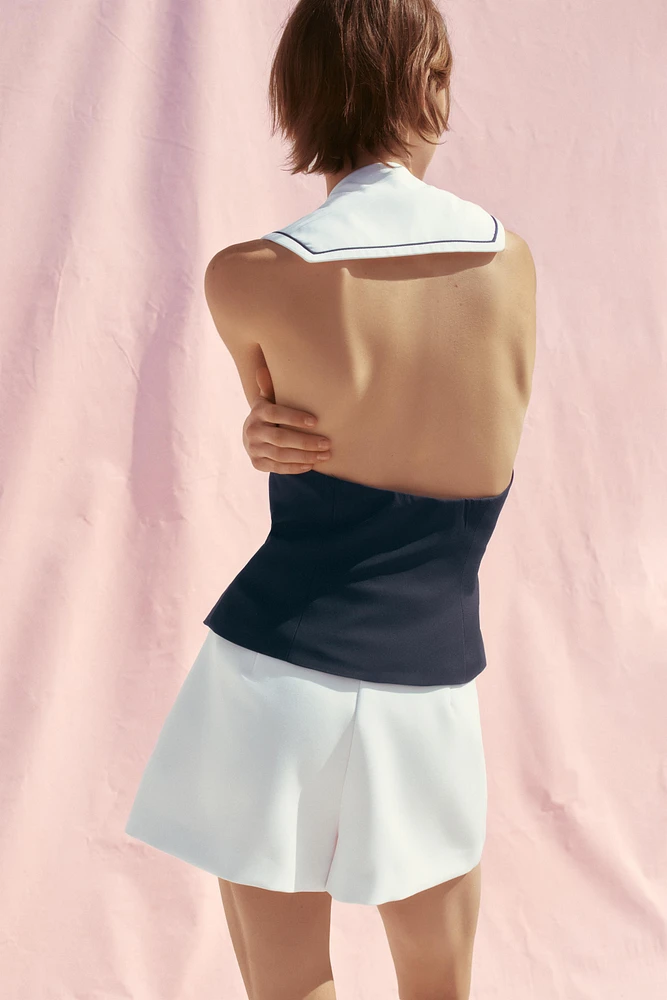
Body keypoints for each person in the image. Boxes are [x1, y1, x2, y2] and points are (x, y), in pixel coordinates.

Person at [125, 2, 536, 999]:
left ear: (298, 96)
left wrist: (258, 436)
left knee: (285, 984)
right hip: (430, 676)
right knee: (439, 983)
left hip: (273, 669)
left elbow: (295, 426)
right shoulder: (511, 266)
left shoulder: (246, 277)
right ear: (431, 83)